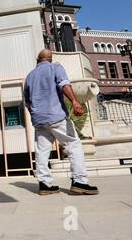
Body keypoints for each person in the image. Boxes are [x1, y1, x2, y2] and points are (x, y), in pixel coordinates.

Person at [24, 49, 99, 196]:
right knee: (73, 145)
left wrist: (36, 114)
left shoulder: (30, 76)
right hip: (56, 116)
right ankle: (79, 182)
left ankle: (45, 184)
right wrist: (75, 101)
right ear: (50, 59)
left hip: (39, 120)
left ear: (37, 60)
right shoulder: (55, 67)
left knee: (42, 152)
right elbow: (64, 84)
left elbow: (27, 102)